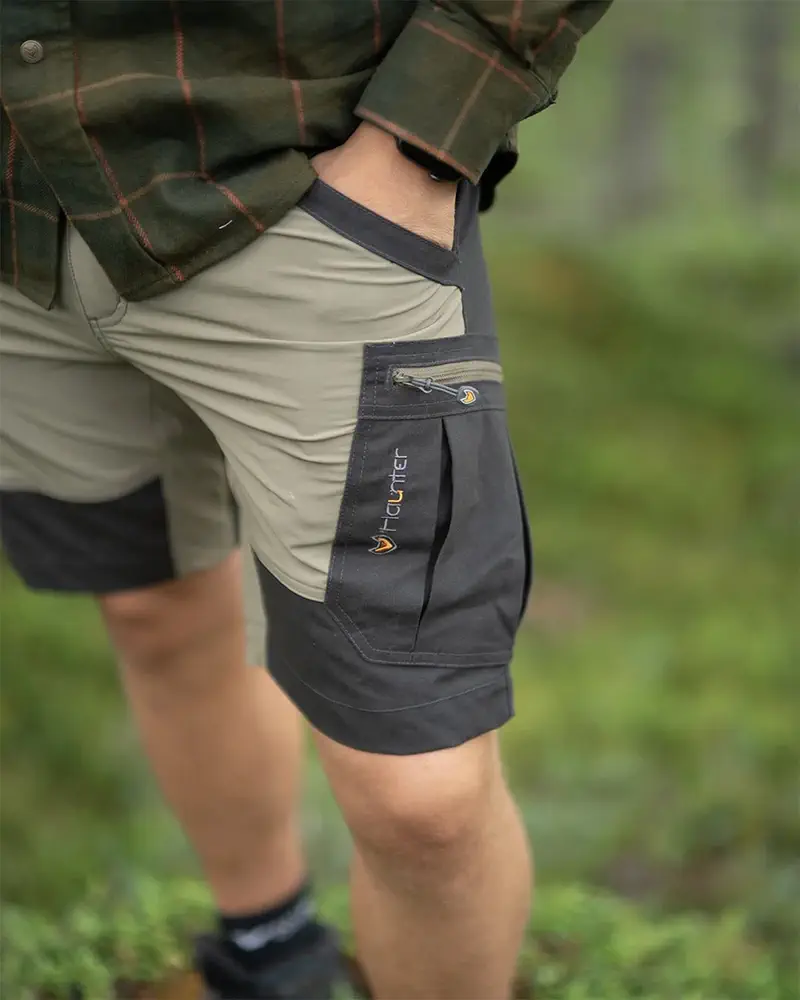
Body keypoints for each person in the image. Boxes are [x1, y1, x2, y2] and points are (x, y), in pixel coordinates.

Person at [0, 3, 612, 998]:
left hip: (289, 181)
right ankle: (270, 952)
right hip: (19, 218)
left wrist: (421, 139)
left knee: (422, 792)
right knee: (149, 598)